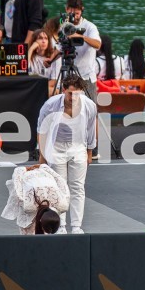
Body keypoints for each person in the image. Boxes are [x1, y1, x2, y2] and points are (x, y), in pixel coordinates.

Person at [36, 75, 97, 234]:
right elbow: (41, 130)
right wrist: (42, 157)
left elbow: (91, 130)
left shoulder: (89, 106)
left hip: (78, 148)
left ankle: (76, 226)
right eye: (70, 94)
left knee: (77, 187)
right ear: (64, 91)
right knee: (59, 188)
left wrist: (89, 152)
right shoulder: (50, 105)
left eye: (77, 94)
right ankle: (60, 226)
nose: (73, 97)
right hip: (56, 148)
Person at [1, 163, 69, 235]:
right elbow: (17, 186)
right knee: (28, 229)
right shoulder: (29, 205)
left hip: (44, 177)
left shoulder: (62, 205)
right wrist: (21, 170)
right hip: (28, 178)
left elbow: (61, 181)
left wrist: (44, 167)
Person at [58, 0, 102, 103]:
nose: (74, 17)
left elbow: (98, 45)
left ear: (82, 10)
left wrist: (81, 36)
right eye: (71, 13)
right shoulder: (64, 26)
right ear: (66, 9)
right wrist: (50, 60)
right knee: (67, 108)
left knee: (91, 110)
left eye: (77, 13)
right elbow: (60, 47)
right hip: (68, 77)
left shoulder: (90, 26)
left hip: (86, 77)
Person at [28, 28, 59, 95]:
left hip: (49, 88)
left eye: (46, 38)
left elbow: (54, 81)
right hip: (33, 87)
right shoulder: (31, 56)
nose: (43, 41)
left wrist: (38, 88)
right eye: (40, 38)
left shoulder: (53, 57)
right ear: (34, 41)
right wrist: (31, 49)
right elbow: (24, 69)